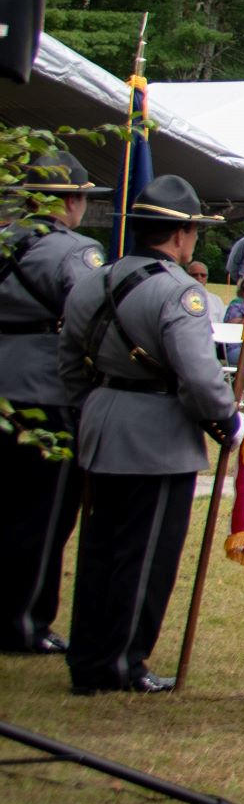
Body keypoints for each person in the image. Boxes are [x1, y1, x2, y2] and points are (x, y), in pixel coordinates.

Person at [56, 176, 235, 695]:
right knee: (145, 555)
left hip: (103, 419)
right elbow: (200, 379)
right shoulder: (179, 291)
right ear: (179, 235)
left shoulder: (94, 279)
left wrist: (90, 408)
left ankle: (89, 657)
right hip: (156, 432)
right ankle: (123, 660)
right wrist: (228, 419)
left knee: (98, 549)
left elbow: (69, 362)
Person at [0, 147, 104, 655]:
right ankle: (23, 621)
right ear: (70, 201)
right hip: (45, 390)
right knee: (41, 515)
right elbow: (93, 319)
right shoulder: (73, 252)